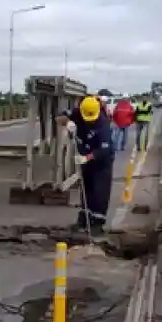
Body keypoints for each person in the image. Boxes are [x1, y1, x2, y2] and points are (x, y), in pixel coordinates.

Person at [57, 96, 114, 234]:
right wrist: (67, 124)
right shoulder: (78, 113)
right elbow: (59, 118)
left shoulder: (103, 124)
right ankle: (83, 221)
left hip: (101, 163)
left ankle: (97, 224)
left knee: (99, 193)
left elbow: (104, 150)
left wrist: (86, 158)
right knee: (86, 191)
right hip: (85, 159)